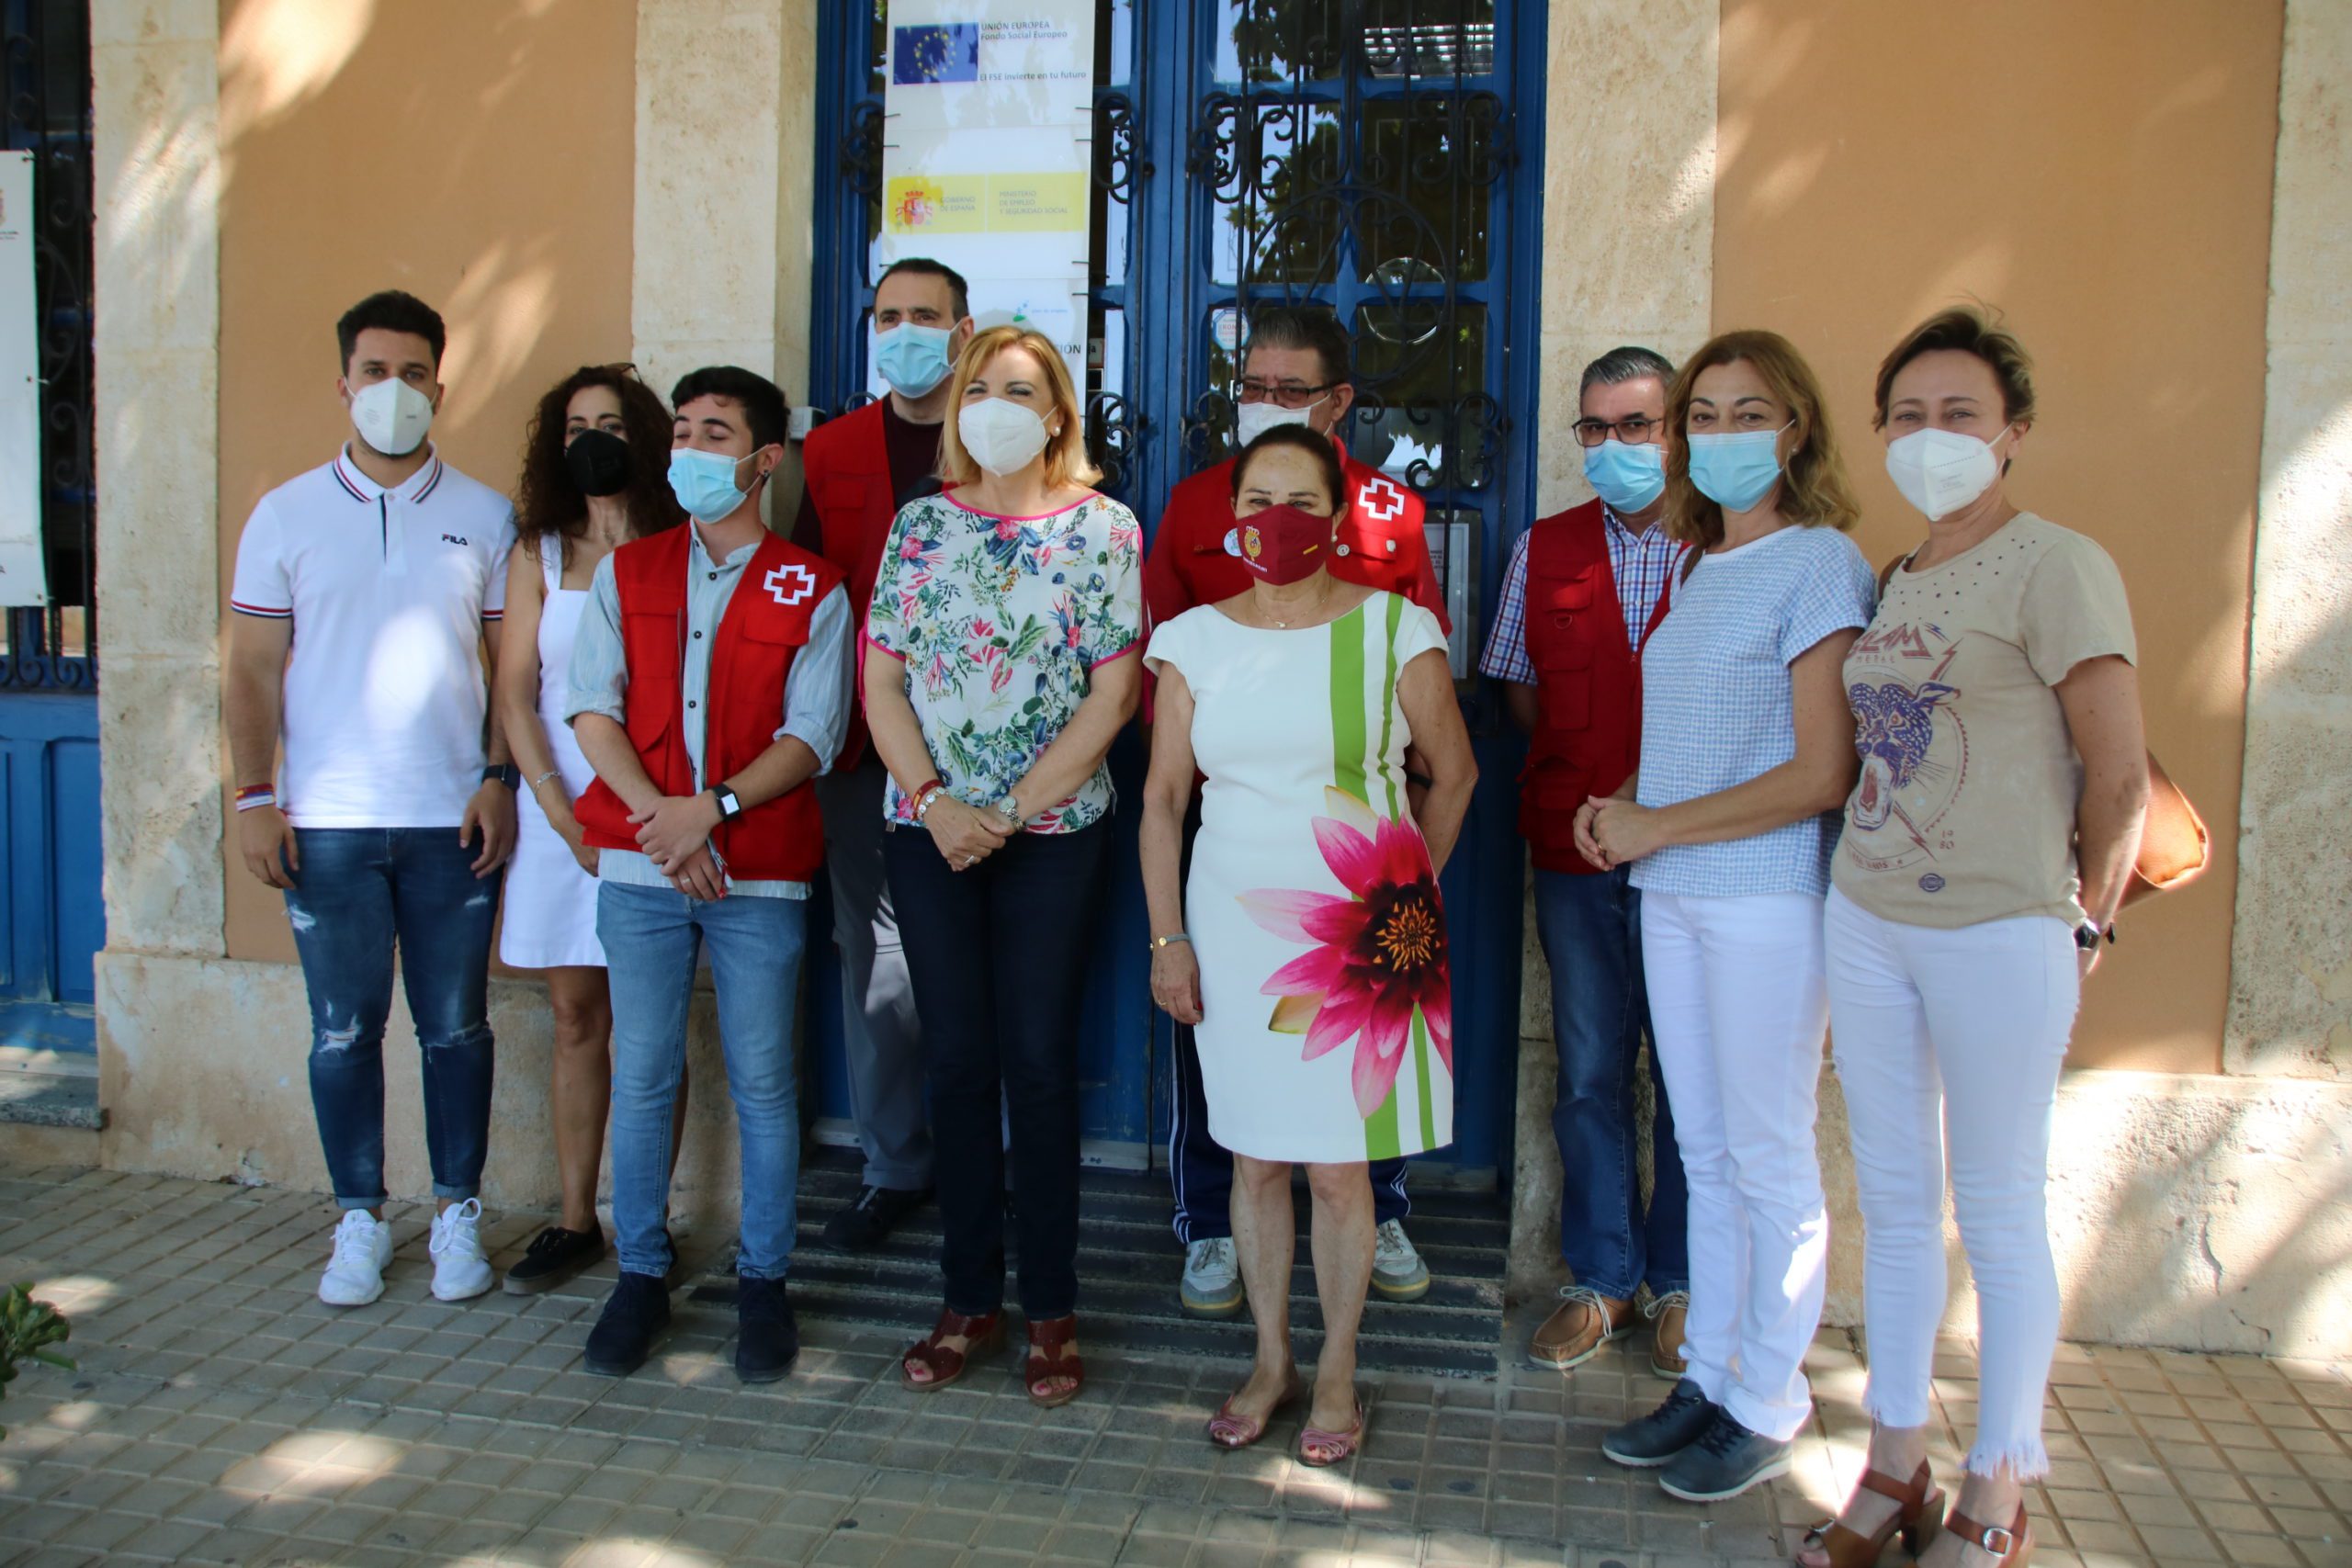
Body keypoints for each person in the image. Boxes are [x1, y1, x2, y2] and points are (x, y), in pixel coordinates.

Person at [1802, 310, 2146, 1568]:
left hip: (2000, 928)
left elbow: (2117, 772)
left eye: (1958, 415)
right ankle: (1895, 1464)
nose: (1930, 438)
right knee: (1893, 1205)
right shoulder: (1900, 575)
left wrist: (2088, 921)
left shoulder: (2060, 563)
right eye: (1906, 415)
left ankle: (2001, 1490)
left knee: (1997, 1210)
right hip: (1871, 917)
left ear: (2013, 434)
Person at [1141, 424, 1476, 1466]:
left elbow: (1452, 775)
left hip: (1361, 941)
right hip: (1236, 932)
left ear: (1337, 518)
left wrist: (1404, 898)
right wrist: (1169, 940)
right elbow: (1159, 802)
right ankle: (1270, 1358)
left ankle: (1336, 1369)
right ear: (1230, 515)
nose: (1273, 521)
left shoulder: (1394, 630)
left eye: (1298, 501)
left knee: (1340, 1173)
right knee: (1252, 1161)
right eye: (1255, 501)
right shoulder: (1191, 639)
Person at [1580, 331, 1874, 1503]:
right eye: (1701, 415)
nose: (1719, 435)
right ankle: (1709, 1376)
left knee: (1766, 1157)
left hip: (1763, 898)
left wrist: (1657, 823)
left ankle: (1770, 1397)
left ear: (1796, 428)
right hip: (1678, 894)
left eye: (1747, 413)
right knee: (1701, 1154)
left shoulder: (1822, 563)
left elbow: (1819, 772)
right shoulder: (1699, 565)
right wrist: (1631, 818)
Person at [866, 324, 1143, 1408]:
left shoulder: (1104, 529)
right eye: (978, 386)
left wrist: (1009, 812)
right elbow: (883, 680)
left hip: (1053, 838)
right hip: (929, 830)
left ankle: (1053, 1306)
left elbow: (1113, 694)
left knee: (1036, 1065)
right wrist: (940, 807)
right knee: (958, 1065)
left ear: (1056, 414)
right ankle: (967, 1297)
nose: (993, 402)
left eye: (1018, 388)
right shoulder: (920, 528)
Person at [225, 289, 518, 1308]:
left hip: (451, 823)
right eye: (374, 372)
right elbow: (253, 669)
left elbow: (506, 671)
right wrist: (253, 797)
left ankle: (455, 1216)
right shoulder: (286, 513)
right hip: (328, 824)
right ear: (343, 382)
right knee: (343, 1032)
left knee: (455, 1031)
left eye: (414, 372)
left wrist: (497, 780)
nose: (394, 391)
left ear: (444, 383)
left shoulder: (485, 516)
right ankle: (357, 1218)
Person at [564, 367, 854, 1383]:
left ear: (763, 459)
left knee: (765, 1085)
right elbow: (590, 709)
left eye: (714, 432)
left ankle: (764, 1283)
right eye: (681, 430)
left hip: (760, 874)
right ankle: (639, 1273)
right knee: (644, 1076)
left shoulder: (810, 586)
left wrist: (712, 812)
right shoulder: (627, 572)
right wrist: (664, 823)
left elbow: (812, 735)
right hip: (643, 867)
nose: (689, 448)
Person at [1479, 346, 1691, 1378]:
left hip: (1704, 860)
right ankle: (1601, 1278)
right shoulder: (1544, 547)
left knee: (1696, 1073)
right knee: (1591, 1068)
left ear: (1678, 430)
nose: (1612, 448)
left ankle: (1685, 1283)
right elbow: (1519, 691)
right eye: (1593, 430)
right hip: (1573, 852)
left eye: (1635, 427)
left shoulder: (1726, 547)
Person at [791, 257, 976, 1252]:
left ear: (963, 327)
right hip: (866, 752)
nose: (904, 331)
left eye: (924, 316)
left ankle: (993, 1163)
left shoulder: (999, 434)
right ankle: (894, 1164)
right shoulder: (829, 451)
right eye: (887, 315)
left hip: (995, 754)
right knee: (878, 967)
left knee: (989, 961)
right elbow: (808, 599)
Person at [492, 364, 687, 1294]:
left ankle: (647, 1219)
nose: (591, 439)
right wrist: (560, 812)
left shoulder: (682, 544)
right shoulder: (537, 551)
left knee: (651, 1028)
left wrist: (652, 813)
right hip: (559, 813)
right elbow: (515, 693)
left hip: (656, 817)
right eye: (575, 426)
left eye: (609, 423)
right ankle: (576, 1218)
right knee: (576, 1016)